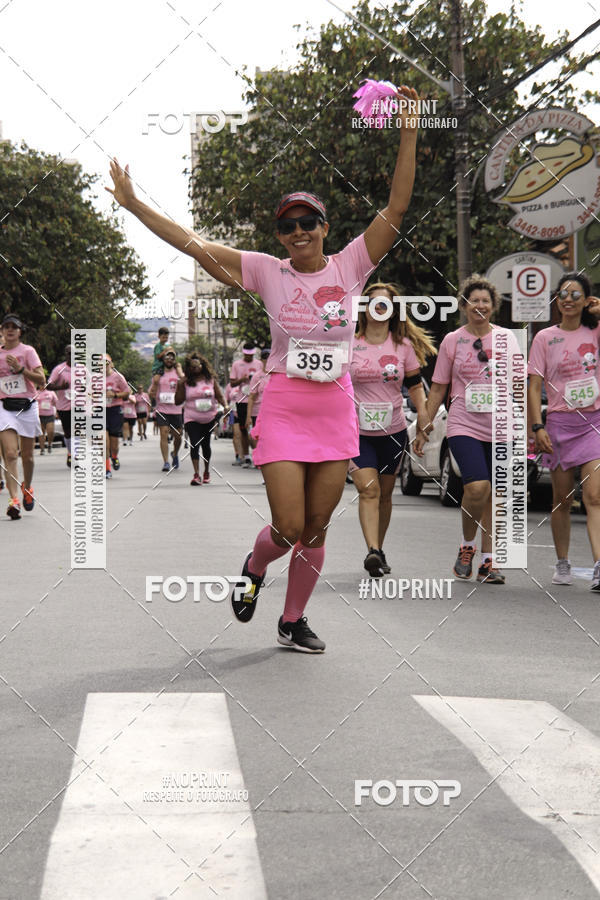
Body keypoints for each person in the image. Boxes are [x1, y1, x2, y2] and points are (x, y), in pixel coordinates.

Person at [106, 88, 418, 652]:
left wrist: (409, 131)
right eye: (288, 226)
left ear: (325, 226)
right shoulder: (267, 271)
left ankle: (291, 620)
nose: (298, 232)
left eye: (309, 223)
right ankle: (256, 564)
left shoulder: (351, 265)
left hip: (334, 410)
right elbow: (192, 243)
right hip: (284, 407)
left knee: (319, 528)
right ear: (279, 235)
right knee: (289, 527)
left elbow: (396, 208)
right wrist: (133, 205)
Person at [415, 275, 518, 585]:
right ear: (464, 305)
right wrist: (424, 429)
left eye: (486, 301)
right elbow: (437, 390)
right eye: (474, 300)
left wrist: (530, 427)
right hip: (464, 422)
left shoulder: (507, 339)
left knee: (494, 493)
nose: (480, 305)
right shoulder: (452, 340)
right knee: (476, 487)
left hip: (501, 424)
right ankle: (467, 545)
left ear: (493, 306)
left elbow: (519, 385)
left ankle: (489, 562)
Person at [349, 282, 434, 576]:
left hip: (393, 430)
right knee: (368, 489)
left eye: (384, 304)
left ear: (393, 310)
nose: (379, 308)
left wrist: (423, 418)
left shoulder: (403, 346)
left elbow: (414, 386)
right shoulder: (350, 342)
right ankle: (372, 550)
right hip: (357, 432)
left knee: (385, 494)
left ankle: (379, 548)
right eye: (373, 303)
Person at [527, 273, 600, 589]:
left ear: (586, 300)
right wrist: (537, 426)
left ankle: (599, 566)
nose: (568, 299)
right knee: (562, 498)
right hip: (558, 425)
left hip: (594, 422)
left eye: (576, 294)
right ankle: (563, 562)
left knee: (595, 496)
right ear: (556, 300)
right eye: (563, 294)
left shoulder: (595, 332)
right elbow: (534, 385)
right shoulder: (545, 338)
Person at [0, 314, 45, 519]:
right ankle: (14, 499)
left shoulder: (28, 351)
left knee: (27, 456)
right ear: (1, 331)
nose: (10, 330)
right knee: (10, 454)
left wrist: (20, 369)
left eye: (14, 327)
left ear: (20, 331)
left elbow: (41, 380)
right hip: (4, 407)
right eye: (6, 327)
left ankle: (27, 487)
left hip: (26, 406)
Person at [174, 352, 226, 485]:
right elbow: (177, 402)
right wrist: (179, 385)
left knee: (206, 445)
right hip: (192, 417)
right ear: (189, 368)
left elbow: (219, 395)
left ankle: (206, 471)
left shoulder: (210, 380)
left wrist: (225, 406)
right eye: (192, 366)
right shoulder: (186, 382)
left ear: (202, 366)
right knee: (194, 444)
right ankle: (196, 474)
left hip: (209, 417)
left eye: (197, 365)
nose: (195, 368)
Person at [149, 349, 183, 472]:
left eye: (172, 358)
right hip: (162, 409)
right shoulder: (158, 374)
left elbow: (185, 384)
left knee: (178, 436)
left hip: (176, 409)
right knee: (163, 433)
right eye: (167, 358)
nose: (169, 360)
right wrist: (154, 390)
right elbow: (151, 392)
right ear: (163, 360)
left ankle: (175, 453)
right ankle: (166, 462)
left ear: (175, 360)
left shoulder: (178, 373)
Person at [229, 342, 261, 467]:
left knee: (257, 430)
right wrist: (242, 379)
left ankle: (258, 456)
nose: (249, 357)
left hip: (257, 401)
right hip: (242, 400)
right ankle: (246, 456)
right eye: (247, 355)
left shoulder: (259, 364)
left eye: (251, 355)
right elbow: (232, 383)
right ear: (243, 353)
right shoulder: (237, 364)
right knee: (244, 430)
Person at [47, 344, 74, 467]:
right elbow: (49, 386)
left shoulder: (83, 369)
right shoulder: (59, 369)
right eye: (68, 353)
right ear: (65, 354)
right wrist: (61, 387)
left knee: (78, 430)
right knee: (68, 432)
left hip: (79, 405)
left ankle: (76, 455)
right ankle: (70, 453)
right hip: (63, 406)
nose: (71, 355)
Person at [105, 354, 130, 478]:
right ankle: (107, 469)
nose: (103, 366)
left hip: (115, 410)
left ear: (111, 364)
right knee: (104, 440)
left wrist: (115, 395)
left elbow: (127, 392)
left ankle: (114, 456)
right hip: (100, 411)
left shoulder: (118, 377)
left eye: (106, 363)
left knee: (114, 442)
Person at [37, 384, 58, 454]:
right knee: (41, 433)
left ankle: (49, 444)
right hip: (39, 415)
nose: (42, 386)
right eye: (41, 384)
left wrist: (58, 411)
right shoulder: (35, 393)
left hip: (50, 415)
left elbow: (56, 402)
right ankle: (42, 449)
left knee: (50, 431)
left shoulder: (51, 392)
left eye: (43, 384)